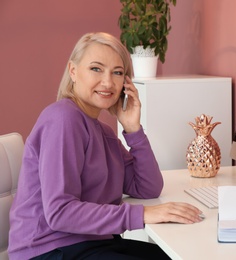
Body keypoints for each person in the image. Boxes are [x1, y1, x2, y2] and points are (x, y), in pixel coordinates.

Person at [8, 32, 203, 260]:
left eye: (117, 73)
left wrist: (133, 130)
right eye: (96, 69)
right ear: (73, 71)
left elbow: (147, 187)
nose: (108, 82)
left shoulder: (104, 133)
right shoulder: (63, 119)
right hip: (51, 249)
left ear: (125, 83)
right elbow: (60, 212)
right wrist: (142, 214)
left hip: (91, 242)